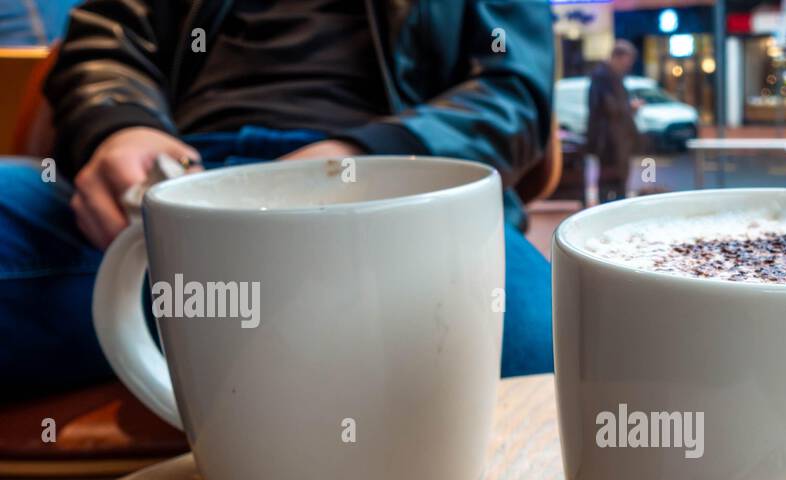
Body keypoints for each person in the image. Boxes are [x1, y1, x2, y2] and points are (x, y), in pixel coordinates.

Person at [0, 0, 556, 401]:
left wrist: (366, 158)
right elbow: (106, 41)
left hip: (399, 189)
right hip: (171, 176)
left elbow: (513, 90)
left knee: (537, 357)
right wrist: (119, 124)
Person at [585, 39, 641, 205]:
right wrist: (630, 107)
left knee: (617, 179)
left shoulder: (611, 76)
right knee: (609, 180)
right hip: (609, 140)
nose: (628, 65)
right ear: (617, 57)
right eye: (627, 60)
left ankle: (616, 207)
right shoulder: (603, 77)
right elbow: (608, 107)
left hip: (615, 139)